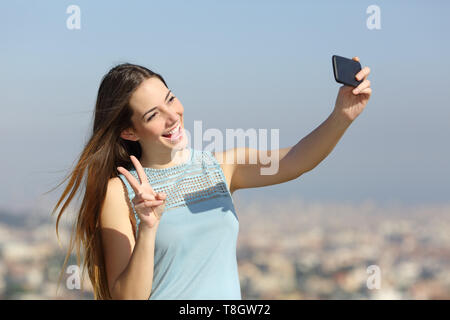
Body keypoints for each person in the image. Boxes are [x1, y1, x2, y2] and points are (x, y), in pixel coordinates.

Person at [51, 59, 371, 300]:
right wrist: (148, 227)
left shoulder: (222, 166)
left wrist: (342, 116)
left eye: (170, 99)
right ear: (129, 131)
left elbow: (298, 160)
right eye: (152, 115)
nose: (172, 115)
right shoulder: (119, 191)